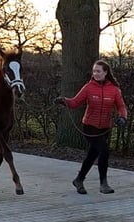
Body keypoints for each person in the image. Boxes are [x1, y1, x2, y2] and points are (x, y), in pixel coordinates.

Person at [54, 59, 127, 194]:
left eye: (98, 71)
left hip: (104, 128)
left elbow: (121, 106)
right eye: (94, 71)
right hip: (89, 126)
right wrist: (64, 101)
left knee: (92, 154)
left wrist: (122, 117)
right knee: (104, 151)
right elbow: (75, 102)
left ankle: (79, 179)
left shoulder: (114, 90)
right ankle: (103, 184)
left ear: (105, 72)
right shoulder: (88, 87)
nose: (95, 74)